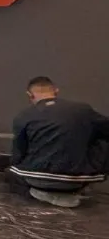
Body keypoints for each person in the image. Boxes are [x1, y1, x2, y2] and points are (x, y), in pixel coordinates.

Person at [9, 77, 109, 207]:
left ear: (29, 95)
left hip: (36, 179)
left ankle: (44, 192)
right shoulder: (83, 110)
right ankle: (71, 189)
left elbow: (18, 154)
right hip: (78, 179)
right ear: (56, 91)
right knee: (100, 138)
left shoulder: (23, 115)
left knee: (13, 167)